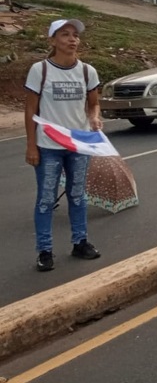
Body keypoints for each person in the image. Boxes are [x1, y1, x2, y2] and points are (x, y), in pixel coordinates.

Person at [24, 19, 102, 272]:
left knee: (77, 196)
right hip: (48, 145)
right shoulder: (40, 70)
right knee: (46, 199)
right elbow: (30, 110)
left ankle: (80, 242)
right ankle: (44, 250)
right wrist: (31, 145)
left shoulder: (87, 71)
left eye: (75, 35)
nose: (72, 39)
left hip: (78, 143)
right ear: (53, 40)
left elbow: (93, 103)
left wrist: (94, 117)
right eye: (65, 35)